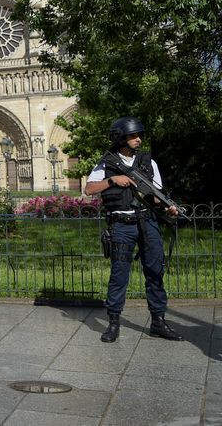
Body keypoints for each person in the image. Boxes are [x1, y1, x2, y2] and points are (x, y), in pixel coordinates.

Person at [85, 115, 184, 343]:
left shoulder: (149, 163)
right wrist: (112, 181)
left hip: (148, 223)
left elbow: (157, 196)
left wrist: (169, 207)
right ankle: (113, 324)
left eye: (139, 135)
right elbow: (89, 189)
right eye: (133, 135)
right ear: (121, 137)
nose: (138, 139)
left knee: (155, 273)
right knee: (119, 276)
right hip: (121, 225)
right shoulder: (107, 163)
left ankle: (158, 322)